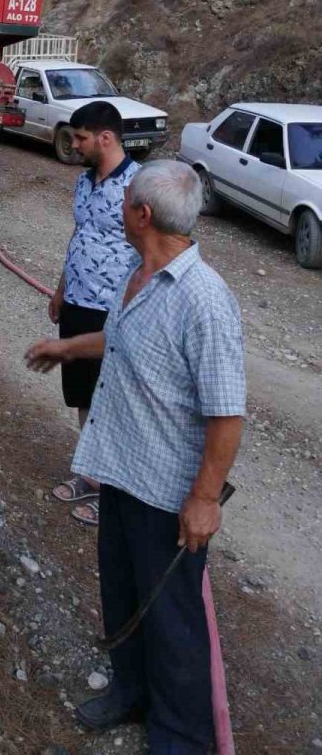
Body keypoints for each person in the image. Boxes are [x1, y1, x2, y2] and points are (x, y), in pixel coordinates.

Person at [26, 160, 246, 755]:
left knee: (172, 618)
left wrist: (204, 499)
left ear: (141, 215)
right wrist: (69, 345)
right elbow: (121, 337)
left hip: (168, 493)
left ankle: (181, 734)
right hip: (118, 469)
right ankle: (131, 691)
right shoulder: (137, 270)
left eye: (125, 202)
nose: (119, 208)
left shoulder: (203, 299)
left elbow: (228, 413)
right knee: (121, 594)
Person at [48, 101, 138, 526]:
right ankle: (92, 474)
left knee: (116, 402)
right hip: (77, 304)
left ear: (105, 137)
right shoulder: (84, 182)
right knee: (83, 395)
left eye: (82, 138)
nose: (75, 144)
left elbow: (158, 253)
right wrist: (61, 290)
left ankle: (116, 493)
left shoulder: (140, 187)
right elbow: (80, 234)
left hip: (116, 314)